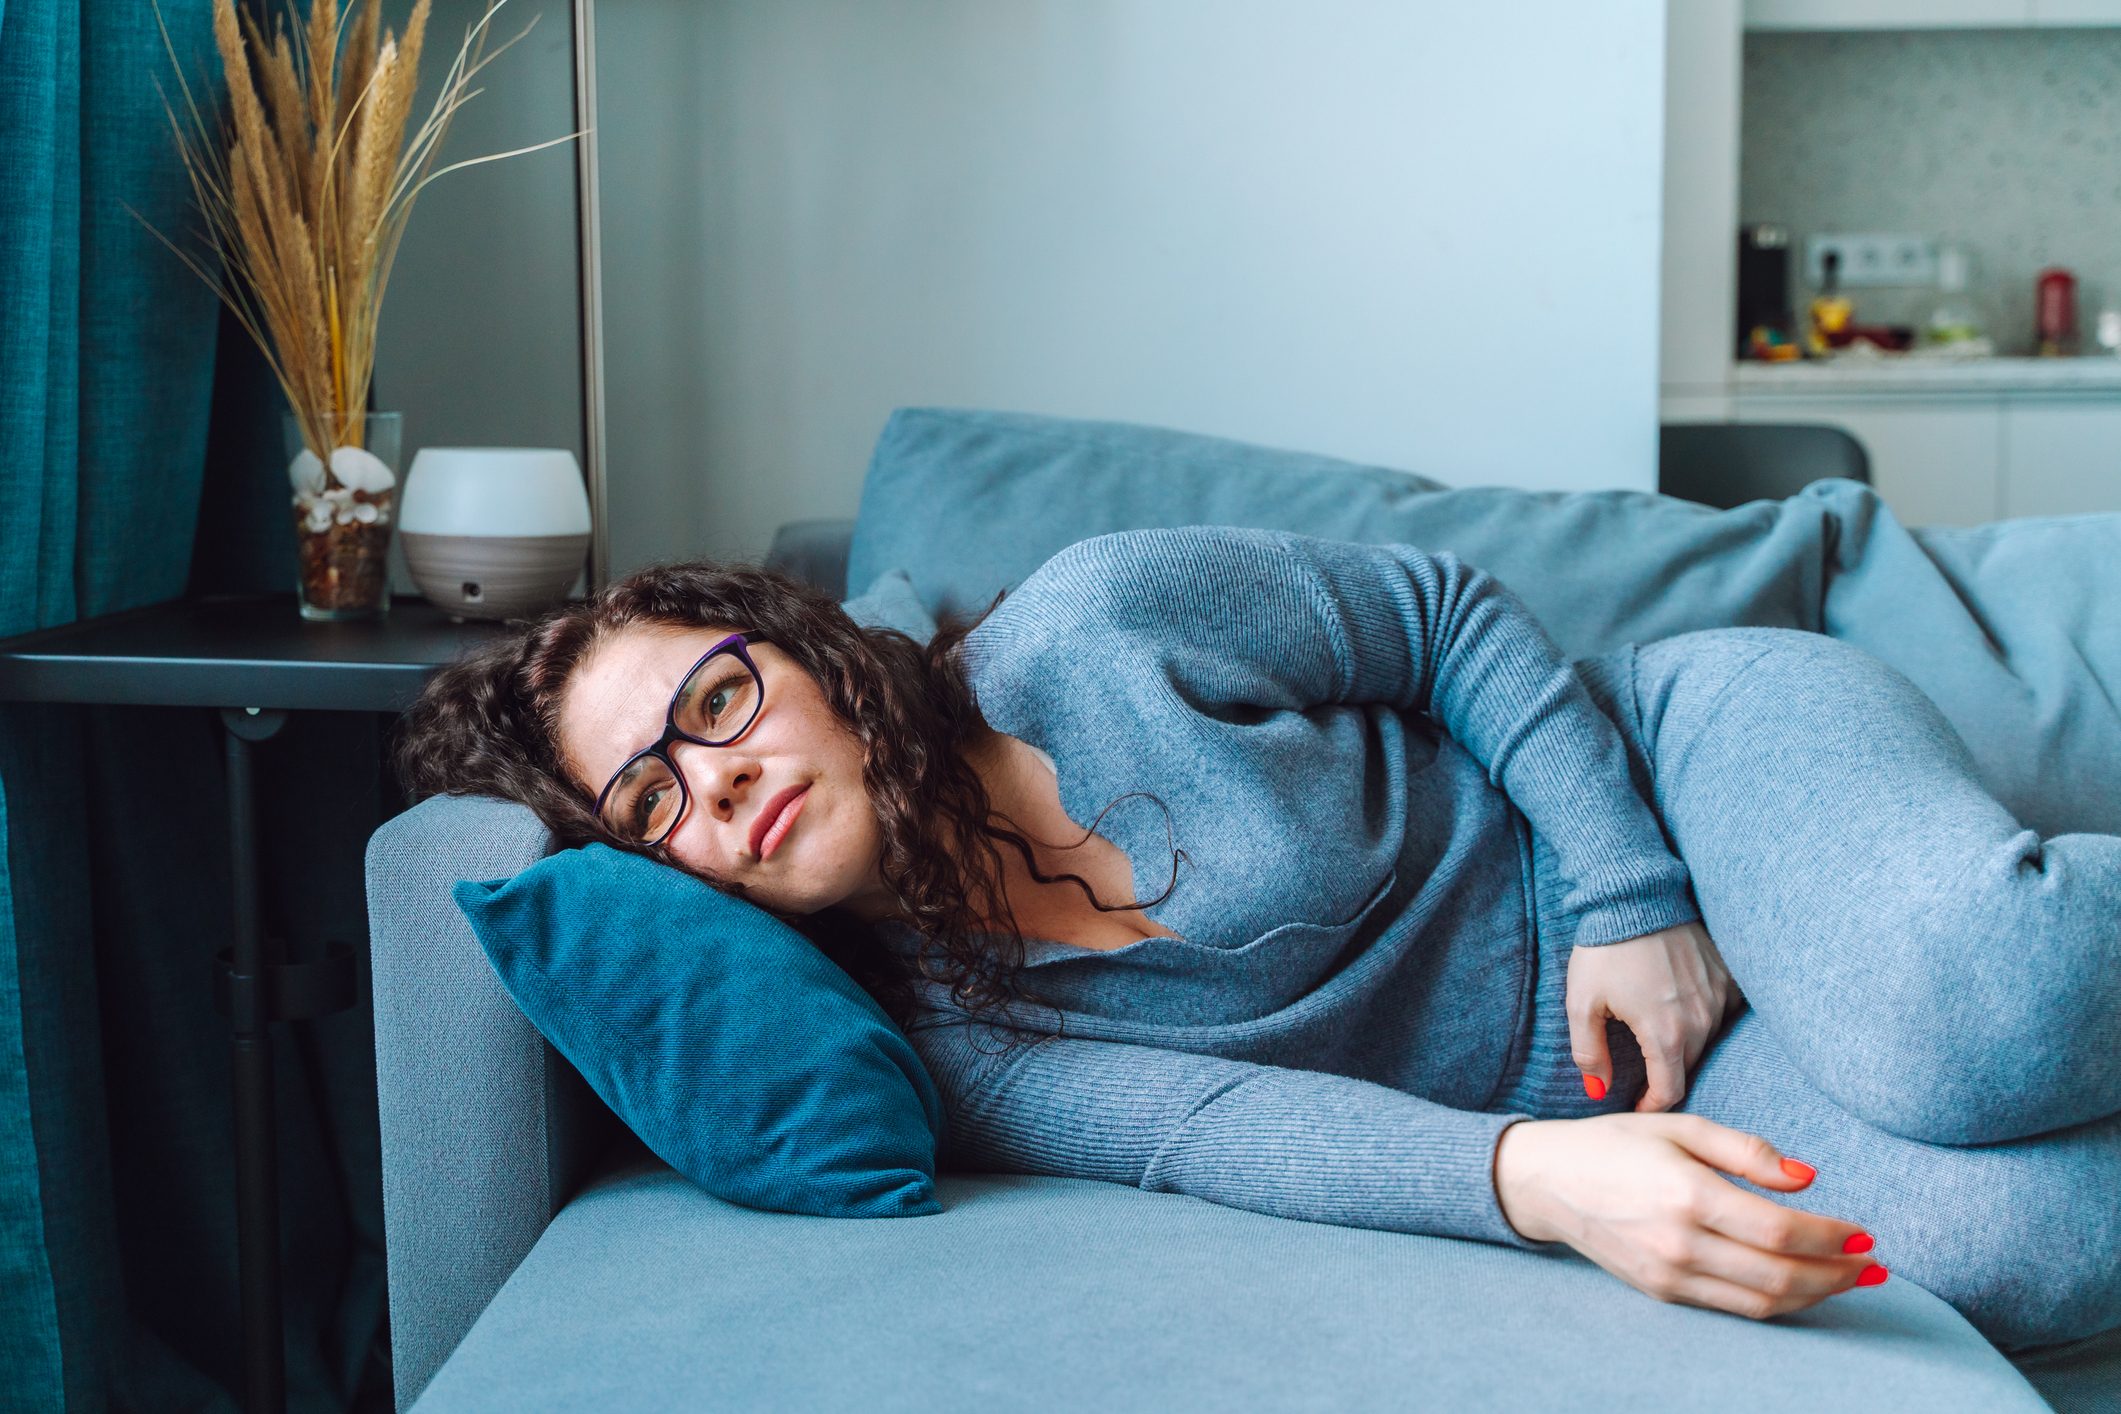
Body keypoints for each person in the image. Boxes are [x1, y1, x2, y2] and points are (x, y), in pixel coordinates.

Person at [394, 524, 2121, 1355]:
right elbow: (1224, 1136)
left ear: (805, 653)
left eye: (718, 698)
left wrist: (1630, 895)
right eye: (648, 802)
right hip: (1652, 1072)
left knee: (1979, 998)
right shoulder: (966, 1041)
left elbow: (1441, 616)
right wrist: (1547, 1178)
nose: (719, 780)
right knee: (2011, 1243)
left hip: (1688, 775)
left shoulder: (1094, 622)